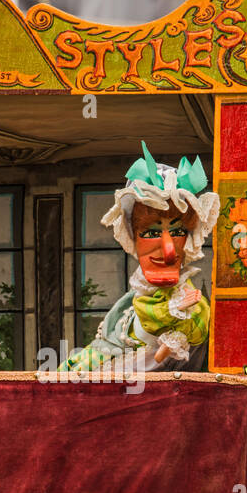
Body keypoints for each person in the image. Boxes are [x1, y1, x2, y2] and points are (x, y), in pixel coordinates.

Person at [61, 142, 219, 374]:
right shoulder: (131, 305)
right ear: (132, 238)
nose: (168, 250)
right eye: (152, 233)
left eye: (177, 233)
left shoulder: (189, 308)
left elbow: (160, 359)